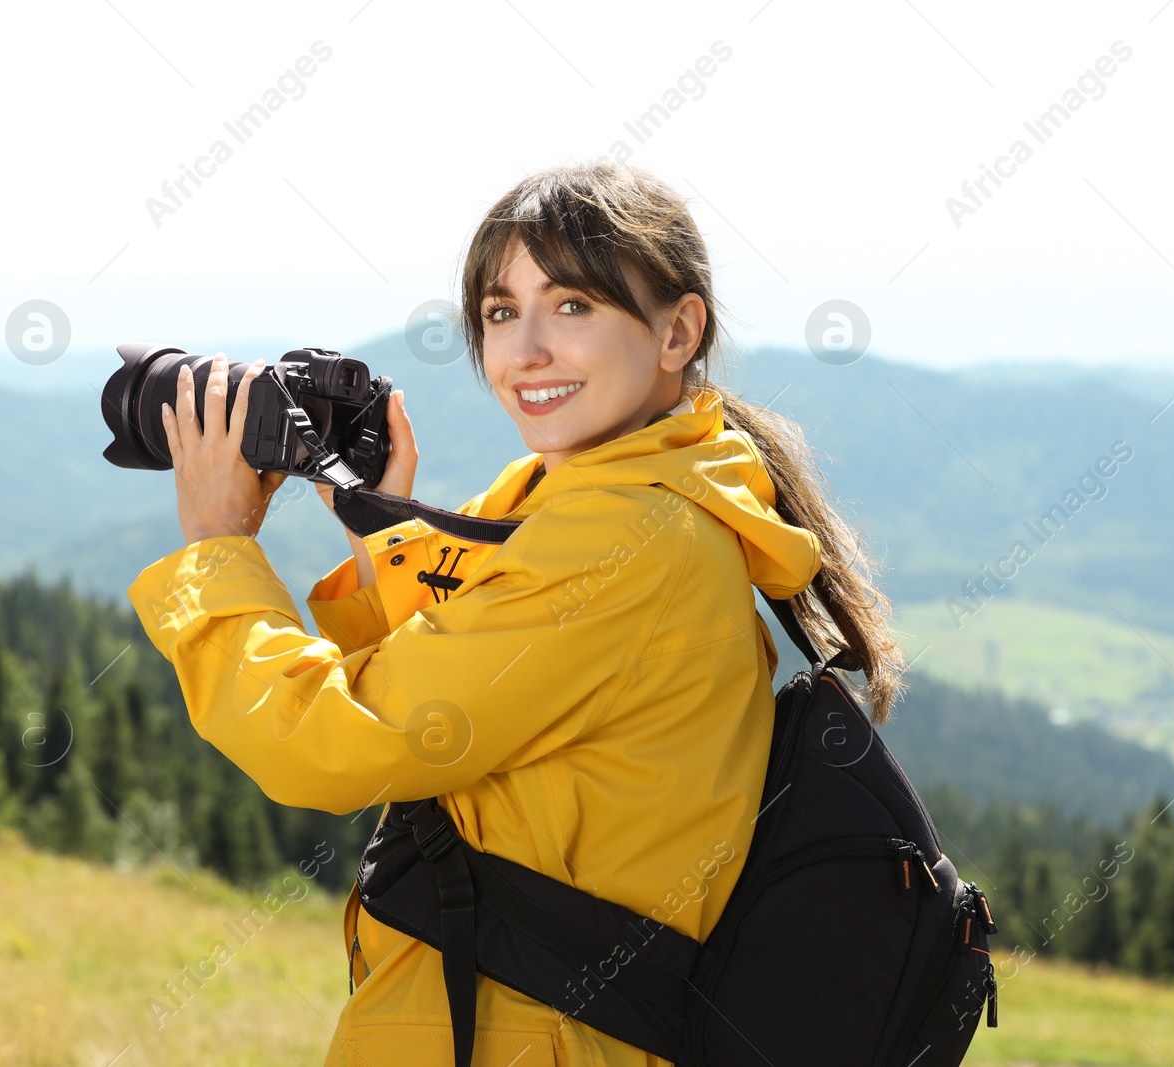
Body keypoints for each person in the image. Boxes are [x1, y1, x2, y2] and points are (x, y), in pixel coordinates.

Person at [126, 161, 905, 1067]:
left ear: (677, 331)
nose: (525, 350)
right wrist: (380, 532)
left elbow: (333, 742)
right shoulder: (592, 494)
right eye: (501, 312)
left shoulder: (629, 534)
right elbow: (477, 724)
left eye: (572, 305)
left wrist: (217, 547)